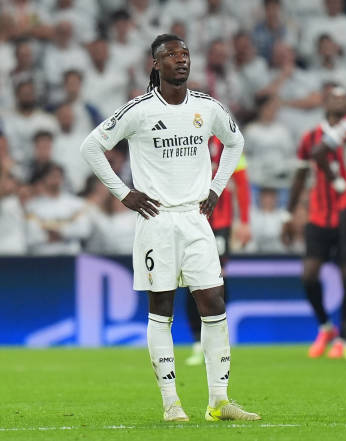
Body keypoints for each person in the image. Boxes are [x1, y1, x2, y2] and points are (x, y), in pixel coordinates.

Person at [80, 34, 260, 422]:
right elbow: (91, 146)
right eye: (172, 55)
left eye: (185, 54)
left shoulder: (207, 107)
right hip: (156, 220)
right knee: (161, 307)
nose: (181, 60)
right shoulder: (139, 110)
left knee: (213, 301)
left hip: (196, 219)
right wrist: (124, 193)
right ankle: (171, 403)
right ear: (156, 64)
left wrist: (216, 187)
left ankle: (219, 401)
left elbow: (236, 142)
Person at [283, 87, 346, 361]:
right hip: (318, 216)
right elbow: (299, 177)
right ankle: (326, 327)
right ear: (325, 103)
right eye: (333, 97)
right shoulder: (311, 137)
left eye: (344, 98)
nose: (338, 101)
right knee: (309, 275)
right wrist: (288, 215)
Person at [185, 135, 251, 366]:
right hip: (190, 220)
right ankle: (197, 342)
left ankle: (215, 338)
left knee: (218, 279)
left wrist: (244, 221)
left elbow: (241, 182)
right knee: (190, 278)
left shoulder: (227, 139)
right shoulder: (185, 136)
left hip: (221, 223)